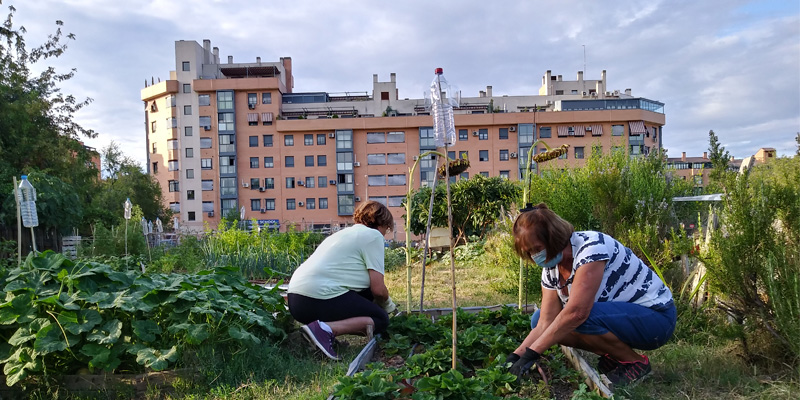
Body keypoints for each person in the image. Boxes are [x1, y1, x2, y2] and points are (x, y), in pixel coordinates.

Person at [506, 203, 676, 387]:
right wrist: (516, 356)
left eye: (537, 248)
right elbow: (544, 322)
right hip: (622, 318)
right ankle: (614, 356)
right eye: (529, 252)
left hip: (656, 318)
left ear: (552, 238)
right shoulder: (551, 268)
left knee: (578, 316)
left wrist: (533, 354)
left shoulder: (591, 248)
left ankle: (635, 363)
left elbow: (577, 312)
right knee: (538, 319)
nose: (534, 256)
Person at [287, 201, 397, 360]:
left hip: (296, 300)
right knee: (380, 320)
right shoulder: (373, 236)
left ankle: (322, 335)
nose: (385, 234)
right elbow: (378, 290)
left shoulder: (342, 234)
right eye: (386, 229)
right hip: (316, 297)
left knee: (366, 294)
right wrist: (389, 306)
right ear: (382, 223)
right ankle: (324, 330)